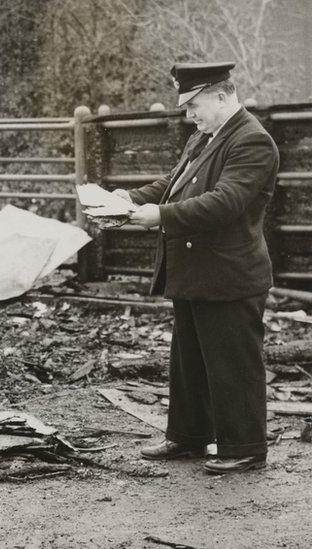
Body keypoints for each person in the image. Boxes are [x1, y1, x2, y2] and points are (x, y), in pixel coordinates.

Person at [116, 62, 279, 474]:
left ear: (222, 96)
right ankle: (189, 437)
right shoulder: (203, 138)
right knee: (188, 360)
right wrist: (126, 200)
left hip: (230, 274)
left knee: (233, 364)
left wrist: (161, 217)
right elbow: (172, 184)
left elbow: (224, 202)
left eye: (195, 105)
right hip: (196, 271)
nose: (189, 115)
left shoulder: (252, 141)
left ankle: (244, 447)